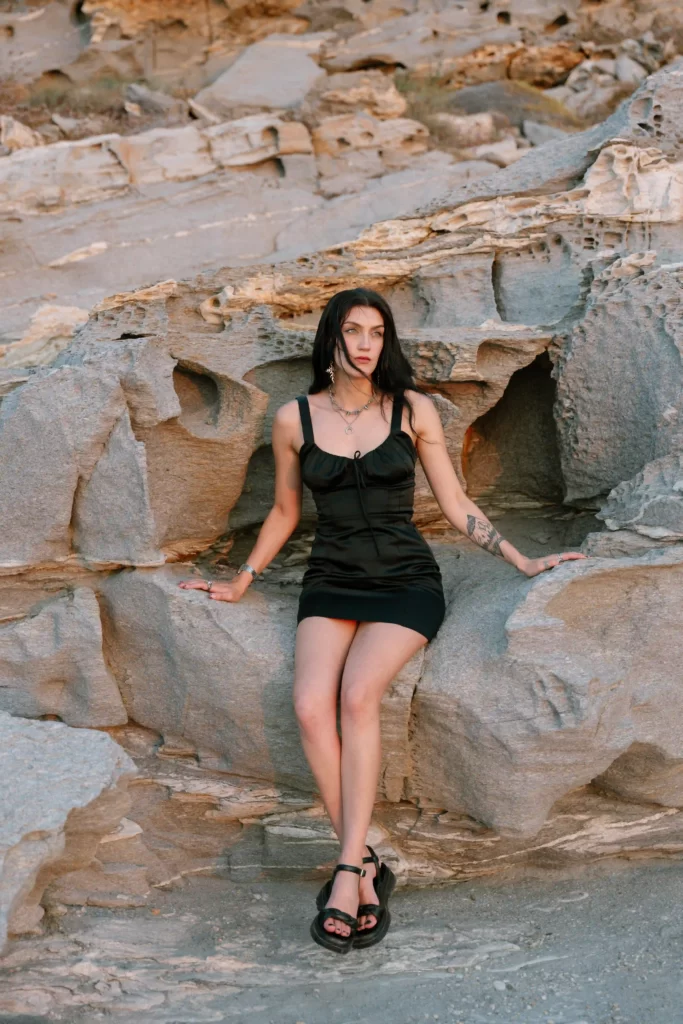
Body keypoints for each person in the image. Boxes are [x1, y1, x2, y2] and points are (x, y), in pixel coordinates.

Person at [179, 287, 586, 953]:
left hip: (405, 582)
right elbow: (284, 512)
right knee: (309, 704)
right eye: (353, 331)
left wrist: (522, 559)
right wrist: (240, 579)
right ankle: (366, 861)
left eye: (376, 332)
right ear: (330, 339)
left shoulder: (411, 409)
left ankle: (348, 872)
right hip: (331, 579)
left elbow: (455, 503)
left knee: (356, 695)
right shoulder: (293, 419)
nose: (366, 344)